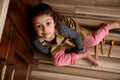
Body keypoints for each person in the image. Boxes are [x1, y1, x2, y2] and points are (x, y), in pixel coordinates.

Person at [28, 3, 120, 67]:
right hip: (57, 46)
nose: (45, 29)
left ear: (54, 22)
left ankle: (107, 27)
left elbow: (76, 36)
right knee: (57, 62)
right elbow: (47, 52)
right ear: (33, 27)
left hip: (72, 34)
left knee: (94, 41)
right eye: (39, 26)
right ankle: (84, 55)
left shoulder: (62, 28)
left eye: (48, 24)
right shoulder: (36, 41)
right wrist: (66, 53)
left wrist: (80, 49)